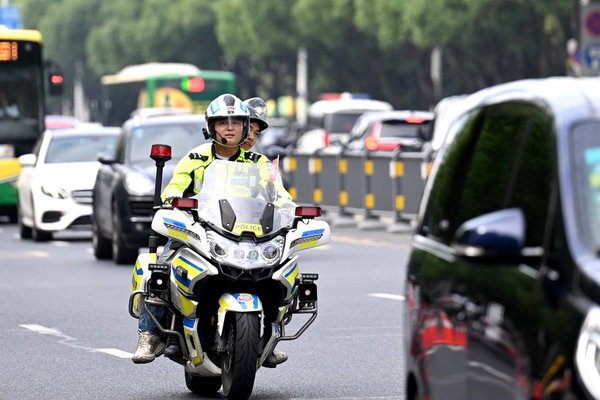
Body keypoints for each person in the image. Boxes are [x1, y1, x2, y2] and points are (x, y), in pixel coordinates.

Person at [133, 94, 289, 368]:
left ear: (245, 127)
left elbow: (279, 194)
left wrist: (290, 210)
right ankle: (151, 333)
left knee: (280, 272)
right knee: (160, 267)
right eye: (222, 122)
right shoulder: (195, 157)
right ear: (211, 127)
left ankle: (268, 337)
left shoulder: (260, 162)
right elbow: (174, 188)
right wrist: (174, 202)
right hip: (199, 230)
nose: (229, 127)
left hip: (248, 235)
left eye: (236, 122)